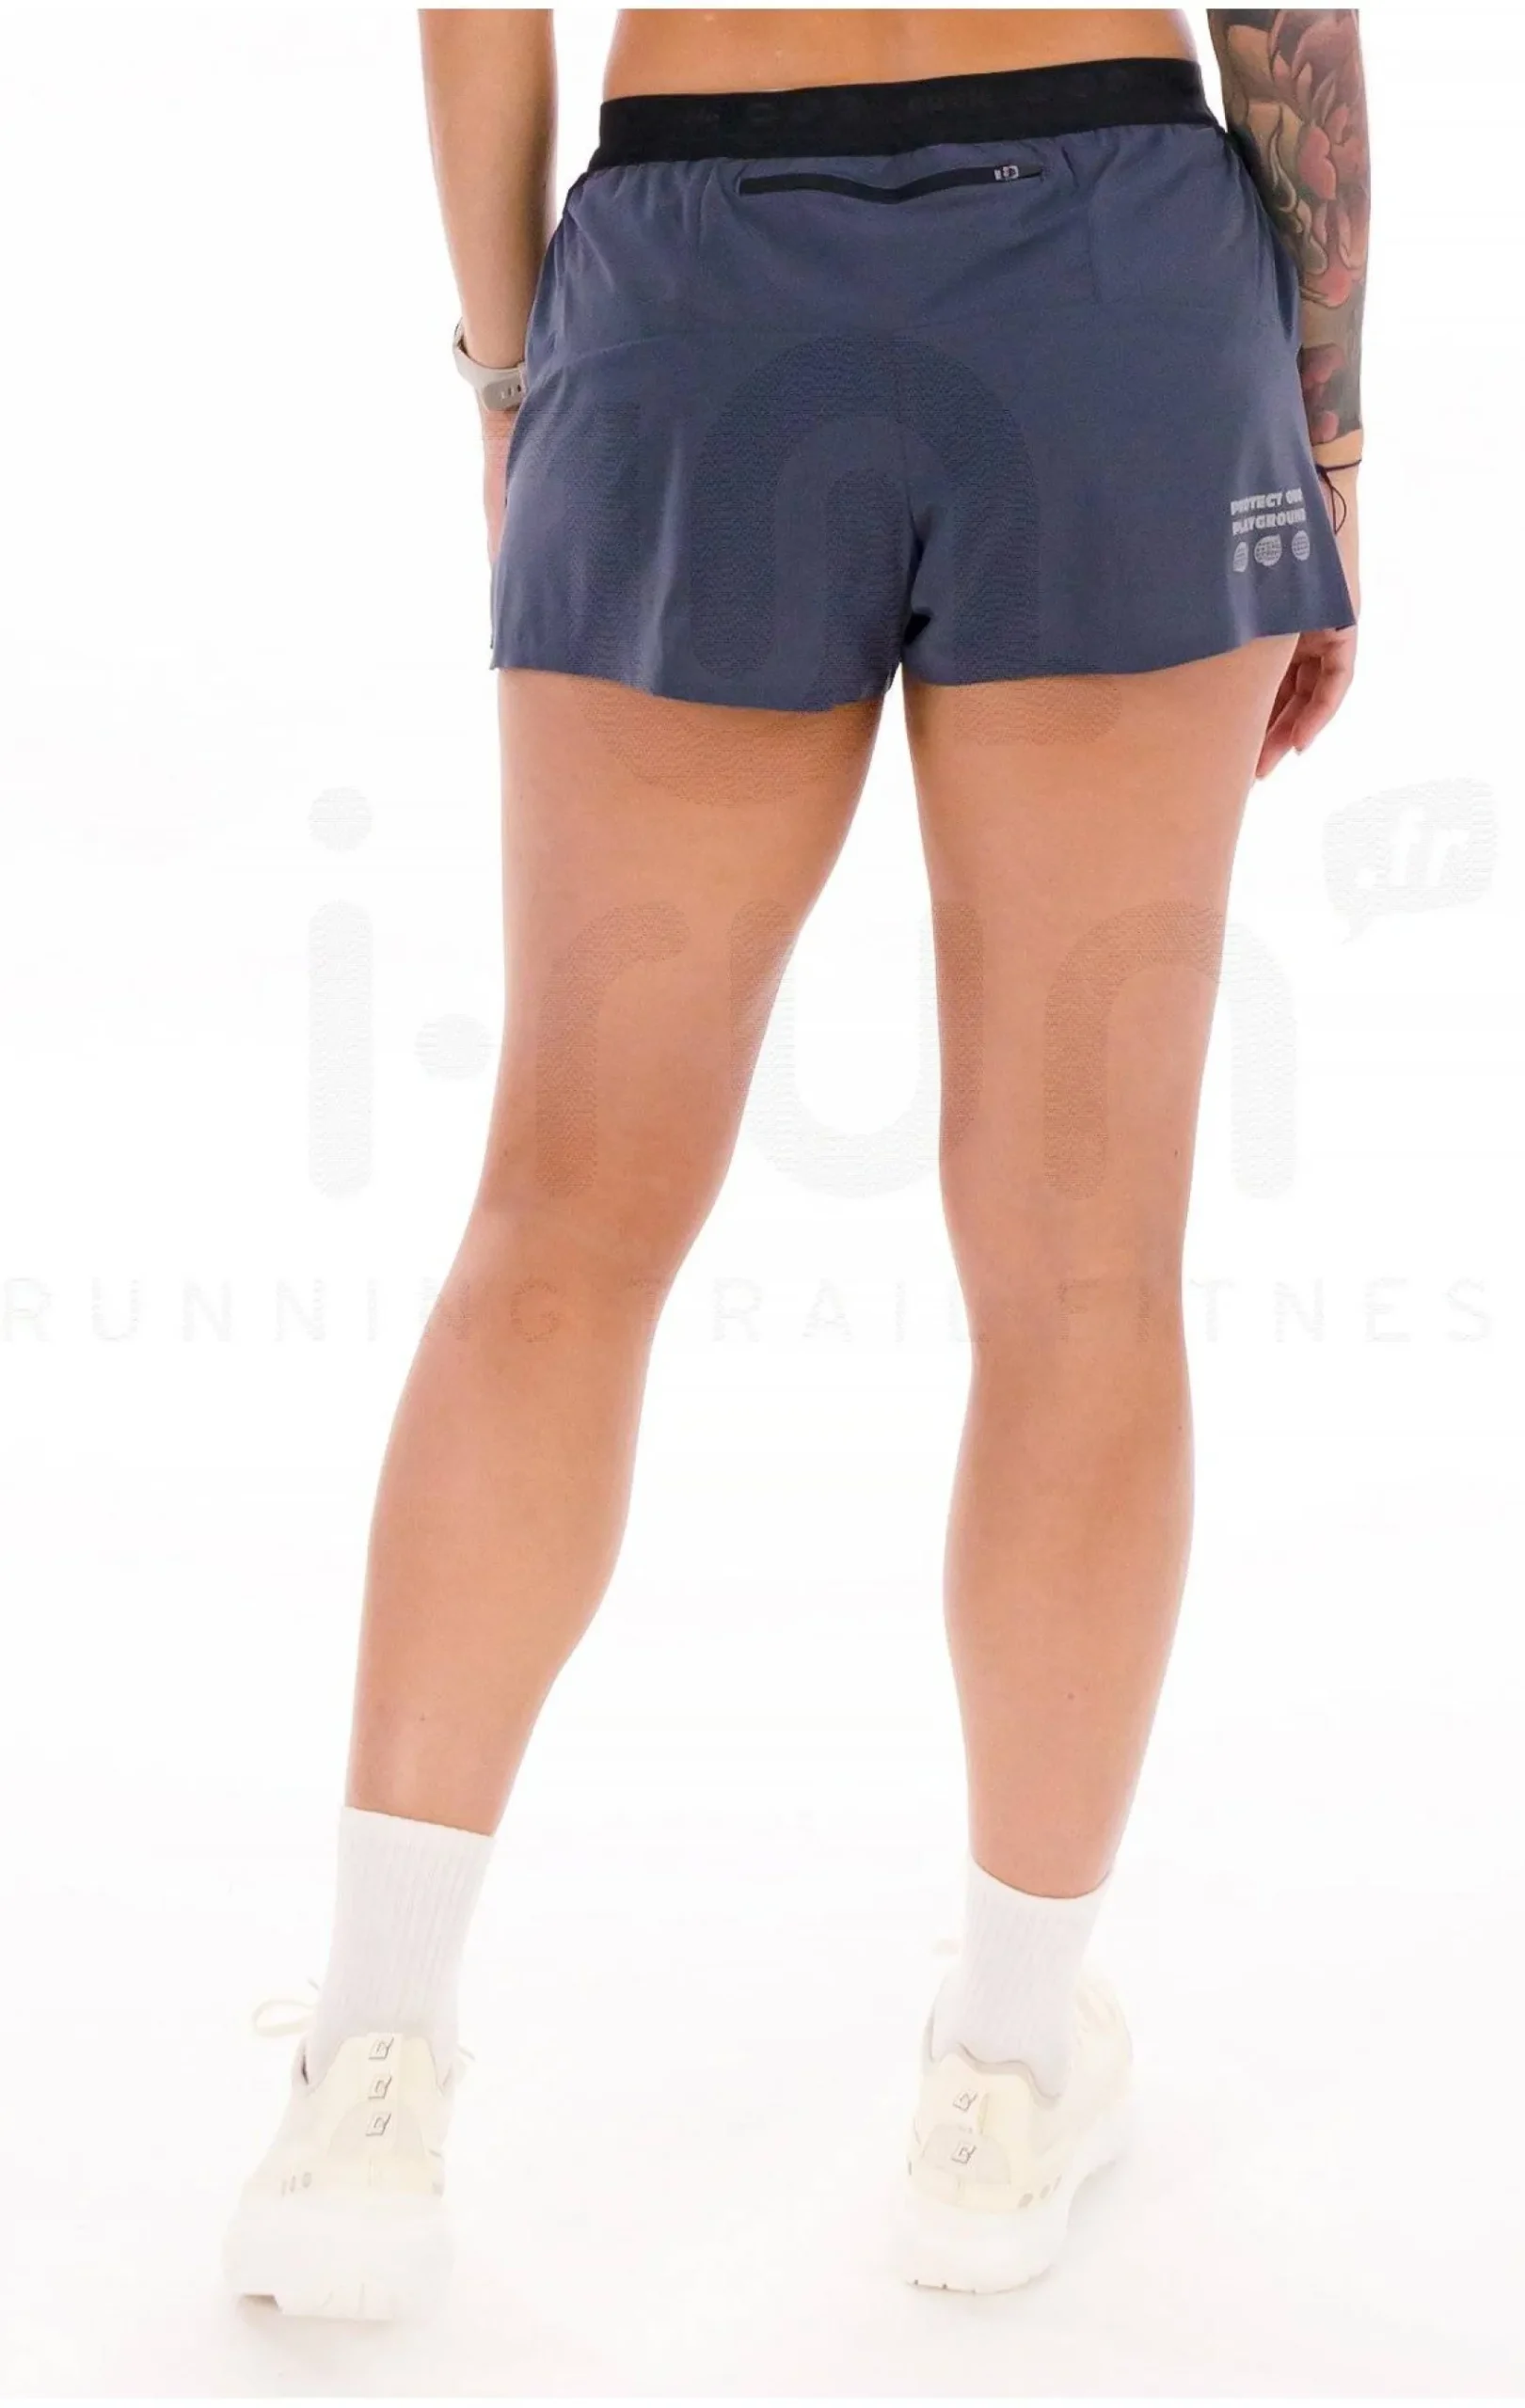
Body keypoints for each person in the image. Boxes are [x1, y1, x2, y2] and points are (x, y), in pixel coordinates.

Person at [226, 5, 1368, 2316]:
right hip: (1114, 283)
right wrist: (1320, 417)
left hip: (691, 262)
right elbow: (1289, 20)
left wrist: (515, 376)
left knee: (559, 1219)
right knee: (1079, 1259)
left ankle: (369, 2081)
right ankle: (1002, 2081)